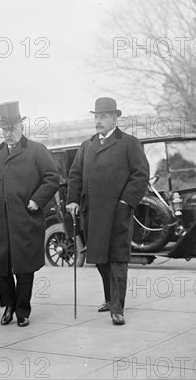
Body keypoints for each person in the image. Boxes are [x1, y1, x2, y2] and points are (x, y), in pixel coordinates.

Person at [66, 97, 149, 325]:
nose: (98, 121)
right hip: (92, 212)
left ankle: (117, 307)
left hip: (117, 212)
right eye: (96, 116)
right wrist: (72, 200)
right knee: (100, 258)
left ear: (115, 118)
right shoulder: (87, 145)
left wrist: (126, 203)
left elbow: (140, 175)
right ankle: (109, 298)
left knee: (117, 258)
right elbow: (74, 175)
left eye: (103, 116)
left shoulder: (129, 143)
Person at [0, 101, 59, 327]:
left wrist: (36, 199)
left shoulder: (36, 150)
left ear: (21, 127)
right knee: (0, 266)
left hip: (25, 218)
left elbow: (52, 178)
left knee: (23, 267)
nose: (8, 134)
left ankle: (23, 310)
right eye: (4, 130)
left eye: (12, 129)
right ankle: (9, 305)